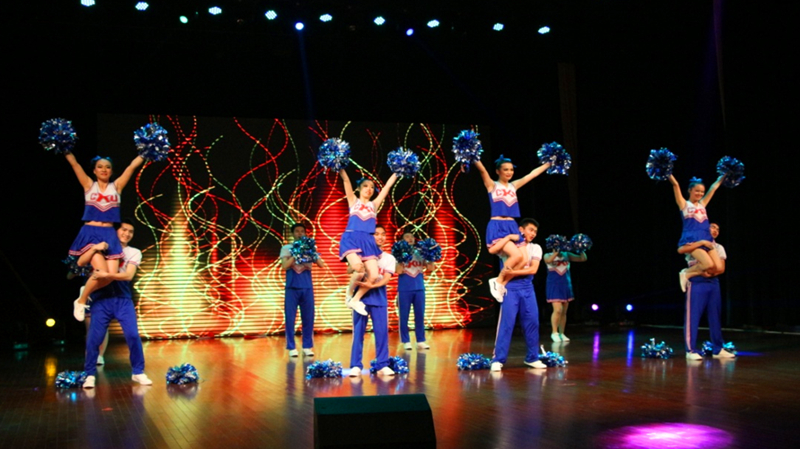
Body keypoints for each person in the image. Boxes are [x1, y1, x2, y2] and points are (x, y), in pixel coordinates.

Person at [66, 153, 145, 321]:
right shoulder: (89, 185)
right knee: (101, 271)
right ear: (94, 171)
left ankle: (85, 292)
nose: (104, 170)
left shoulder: (116, 187)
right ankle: (81, 301)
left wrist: (145, 152)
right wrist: (66, 150)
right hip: (91, 233)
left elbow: (131, 167)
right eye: (100, 167)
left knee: (109, 276)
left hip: (109, 234)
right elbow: (75, 165)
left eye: (108, 167)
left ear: (112, 171)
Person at [82, 219, 153, 388]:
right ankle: (89, 374)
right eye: (124, 230)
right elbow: (83, 264)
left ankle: (138, 372)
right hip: (101, 300)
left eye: (130, 231)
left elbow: (128, 276)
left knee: (133, 335)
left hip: (123, 299)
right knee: (94, 339)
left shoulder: (134, 252)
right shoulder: (102, 248)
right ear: (115, 231)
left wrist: (106, 275)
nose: (127, 234)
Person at [472, 156, 550, 302]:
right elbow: (482, 170)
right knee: (517, 256)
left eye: (511, 170)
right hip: (498, 225)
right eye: (505, 170)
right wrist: (474, 156)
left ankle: (501, 283)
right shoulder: (492, 185)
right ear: (498, 171)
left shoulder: (514, 186)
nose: (509, 172)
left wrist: (548, 164)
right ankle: (498, 280)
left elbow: (532, 175)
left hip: (512, 225)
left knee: (524, 259)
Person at [490, 218, 548, 371]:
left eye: (535, 232)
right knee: (507, 324)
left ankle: (532, 357)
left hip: (527, 288)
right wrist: (508, 237)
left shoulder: (535, 248)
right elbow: (493, 249)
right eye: (530, 230)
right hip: (510, 288)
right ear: (521, 230)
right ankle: (498, 359)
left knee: (532, 322)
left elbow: (533, 269)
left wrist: (512, 272)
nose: (533, 234)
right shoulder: (510, 247)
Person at [338, 169, 398, 316]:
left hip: (368, 241)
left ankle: (355, 300)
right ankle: (349, 295)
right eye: (365, 186)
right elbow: (346, 180)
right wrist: (340, 166)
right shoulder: (353, 201)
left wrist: (398, 171)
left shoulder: (374, 205)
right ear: (359, 188)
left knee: (373, 276)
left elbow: (387, 187)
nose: (369, 189)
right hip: (352, 238)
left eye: (372, 187)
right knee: (358, 268)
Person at [678, 222, 735, 360]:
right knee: (693, 316)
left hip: (713, 282)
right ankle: (690, 350)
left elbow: (721, 269)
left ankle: (718, 348)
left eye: (717, 229)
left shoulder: (718, 247)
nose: (715, 230)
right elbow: (681, 249)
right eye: (712, 227)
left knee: (715, 315)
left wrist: (709, 272)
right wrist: (702, 244)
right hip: (697, 282)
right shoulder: (695, 244)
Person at [349, 225, 397, 377]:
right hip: (361, 301)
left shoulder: (389, 258)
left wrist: (372, 285)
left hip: (379, 299)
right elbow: (349, 270)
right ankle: (356, 365)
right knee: (358, 333)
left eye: (383, 234)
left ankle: (382, 364)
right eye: (376, 234)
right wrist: (357, 265)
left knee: (381, 333)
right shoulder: (360, 254)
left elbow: (386, 279)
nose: (380, 237)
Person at [668, 174, 725, 292]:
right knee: (708, 264)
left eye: (702, 192)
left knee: (718, 267)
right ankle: (686, 273)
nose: (700, 194)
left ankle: (688, 273)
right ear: (690, 190)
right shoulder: (684, 205)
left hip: (707, 238)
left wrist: (725, 175)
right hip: (693, 239)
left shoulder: (702, 204)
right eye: (697, 191)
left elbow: (714, 187)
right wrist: (667, 172)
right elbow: (675, 184)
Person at [280, 223, 326, 358]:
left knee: (308, 318)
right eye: (297, 231)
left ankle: (307, 346)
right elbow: (285, 266)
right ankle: (291, 347)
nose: (300, 233)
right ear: (292, 233)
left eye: (302, 231)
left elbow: (321, 265)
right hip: (292, 287)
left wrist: (311, 252)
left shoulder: (310, 248)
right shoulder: (287, 248)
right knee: (290, 318)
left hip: (307, 287)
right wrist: (296, 253)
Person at [395, 232, 435, 351]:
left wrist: (431, 255)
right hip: (404, 289)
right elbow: (398, 271)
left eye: (412, 237)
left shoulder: (419, 253)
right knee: (404, 316)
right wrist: (402, 257)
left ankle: (420, 340)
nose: (410, 239)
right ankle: (406, 341)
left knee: (420, 315)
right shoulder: (397, 253)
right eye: (407, 237)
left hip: (419, 288)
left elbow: (431, 268)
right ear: (402, 240)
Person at [544, 248, 587, 342]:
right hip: (554, 285)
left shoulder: (567, 254)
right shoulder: (547, 255)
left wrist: (581, 249)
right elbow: (548, 261)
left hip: (566, 285)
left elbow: (582, 258)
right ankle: (554, 332)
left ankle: (562, 333)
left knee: (563, 311)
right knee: (558, 310)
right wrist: (556, 253)